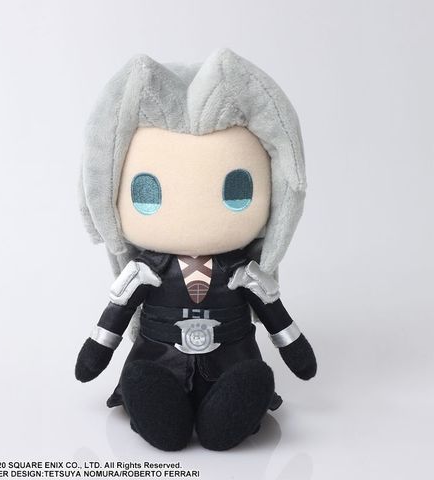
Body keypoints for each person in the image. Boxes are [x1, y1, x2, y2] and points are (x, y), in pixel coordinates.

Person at [75, 49, 317, 451]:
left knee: (244, 383)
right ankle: (156, 404)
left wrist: (295, 351)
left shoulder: (245, 272)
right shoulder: (145, 270)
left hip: (230, 362)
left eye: (237, 190)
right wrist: (96, 351)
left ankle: (231, 409)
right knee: (147, 383)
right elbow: (116, 315)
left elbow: (275, 316)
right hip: (158, 360)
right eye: (147, 193)